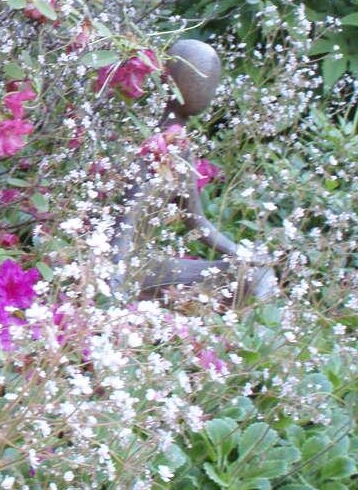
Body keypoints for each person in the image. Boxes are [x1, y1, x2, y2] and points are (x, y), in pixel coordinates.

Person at [111, 39, 278, 301]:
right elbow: (126, 222)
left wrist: (242, 254)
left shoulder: (181, 147)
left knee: (257, 275)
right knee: (248, 281)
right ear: (170, 79)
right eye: (197, 79)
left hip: (147, 263)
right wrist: (112, 284)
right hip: (122, 268)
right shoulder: (153, 145)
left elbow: (198, 223)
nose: (204, 89)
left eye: (209, 82)